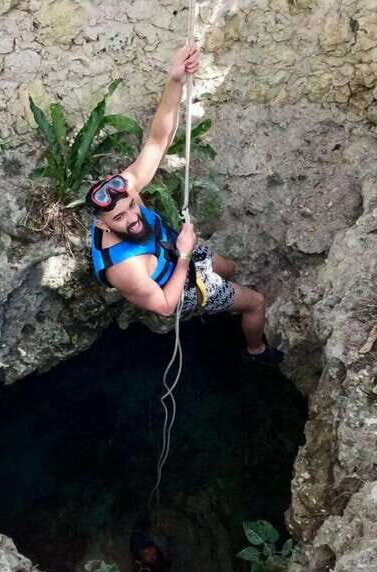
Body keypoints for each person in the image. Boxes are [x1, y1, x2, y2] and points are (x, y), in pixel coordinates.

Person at [87, 44, 283, 366]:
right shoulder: (125, 269)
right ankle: (256, 352)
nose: (133, 217)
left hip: (178, 251)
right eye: (120, 218)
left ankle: (222, 305)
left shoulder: (127, 190)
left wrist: (174, 79)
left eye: (132, 207)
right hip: (181, 286)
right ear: (102, 224)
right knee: (256, 302)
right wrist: (185, 256)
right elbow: (165, 305)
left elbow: (157, 140)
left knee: (230, 268)